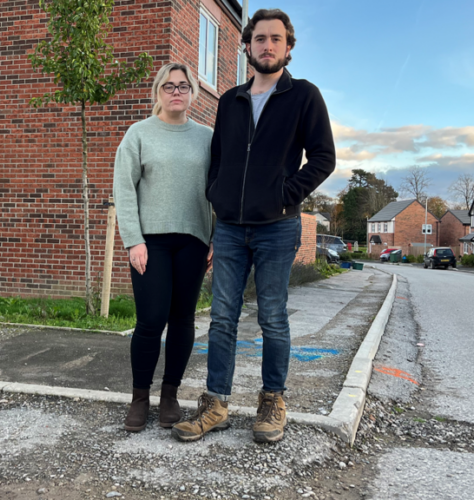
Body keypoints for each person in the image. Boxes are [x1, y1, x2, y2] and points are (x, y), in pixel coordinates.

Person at [172, 9, 336, 443]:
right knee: (222, 318)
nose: (267, 45)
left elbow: (323, 158)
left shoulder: (304, 96)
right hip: (229, 227)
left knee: (273, 318)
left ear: (288, 47)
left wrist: (285, 193)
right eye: (260, 38)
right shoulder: (230, 99)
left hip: (277, 227)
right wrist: (217, 193)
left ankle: (272, 403)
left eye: (275, 39)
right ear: (247, 46)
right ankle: (216, 404)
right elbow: (220, 160)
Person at [113, 63, 215, 432]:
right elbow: (124, 190)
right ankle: (140, 399)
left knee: (183, 320)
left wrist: (215, 236)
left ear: (192, 94)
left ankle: (169, 397)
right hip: (150, 243)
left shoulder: (206, 137)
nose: (176, 92)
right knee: (151, 320)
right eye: (169, 86)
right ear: (157, 91)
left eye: (183, 86)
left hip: (193, 241)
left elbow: (216, 190)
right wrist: (133, 241)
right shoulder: (138, 134)